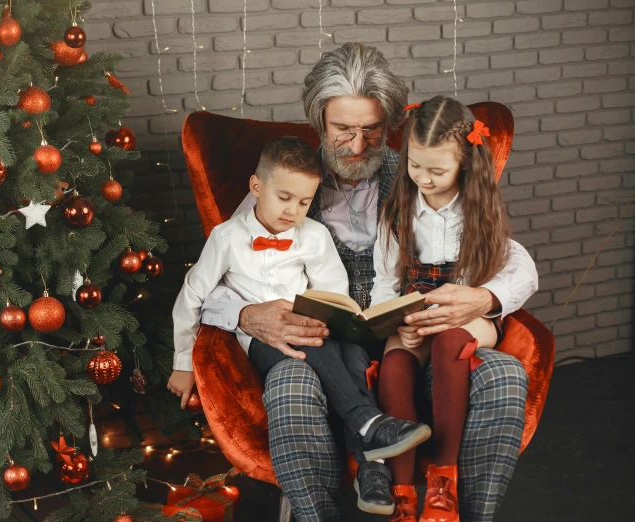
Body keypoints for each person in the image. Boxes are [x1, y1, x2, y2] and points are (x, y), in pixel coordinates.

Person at [201, 43, 538, 522]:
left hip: (412, 343)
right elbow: (213, 277)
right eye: (342, 130)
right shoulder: (290, 184)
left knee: (503, 375)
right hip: (322, 354)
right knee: (290, 382)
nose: (357, 147)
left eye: (372, 130)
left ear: (392, 126)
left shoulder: (417, 179)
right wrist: (246, 314)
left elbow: (511, 256)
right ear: (319, 120)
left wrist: (484, 298)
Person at [169, 137, 431, 515]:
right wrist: (182, 363)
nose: (293, 210)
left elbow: (333, 290)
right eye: (284, 197)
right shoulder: (226, 237)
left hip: (311, 327)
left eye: (304, 202)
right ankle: (368, 424)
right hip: (261, 341)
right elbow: (192, 295)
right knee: (317, 346)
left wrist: (334, 318)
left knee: (356, 354)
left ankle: (371, 468)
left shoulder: (313, 234)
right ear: (256, 187)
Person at [372, 95, 519, 522]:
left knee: (453, 340)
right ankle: (402, 494)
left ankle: (442, 482)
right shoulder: (397, 211)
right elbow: (385, 282)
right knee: (395, 364)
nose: (424, 178)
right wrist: (400, 320)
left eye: (437, 170)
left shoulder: (479, 212)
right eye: (415, 166)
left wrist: (474, 303)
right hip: (418, 312)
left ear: (464, 164)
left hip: (465, 313)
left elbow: (504, 274)